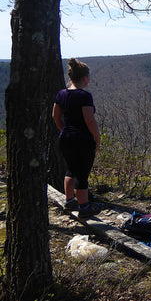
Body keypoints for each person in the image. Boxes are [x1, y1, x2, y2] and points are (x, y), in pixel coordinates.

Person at [52, 58, 101, 218]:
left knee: (70, 169)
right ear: (84, 78)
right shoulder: (84, 96)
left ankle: (69, 200)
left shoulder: (61, 94)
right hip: (82, 140)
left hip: (65, 138)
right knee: (82, 174)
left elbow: (55, 116)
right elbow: (89, 120)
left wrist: (64, 130)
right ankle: (84, 208)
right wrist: (97, 137)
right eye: (89, 77)